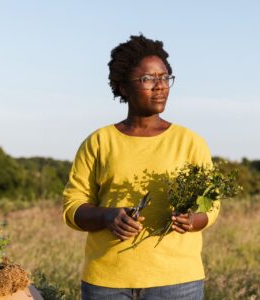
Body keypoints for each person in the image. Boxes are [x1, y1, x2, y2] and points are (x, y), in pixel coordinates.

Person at [63, 34, 220, 300]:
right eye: (148, 79)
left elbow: (211, 205)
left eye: (165, 77)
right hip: (107, 283)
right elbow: (72, 208)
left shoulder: (190, 142)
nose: (159, 86)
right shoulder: (99, 142)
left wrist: (194, 220)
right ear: (123, 87)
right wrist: (107, 217)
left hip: (178, 282)